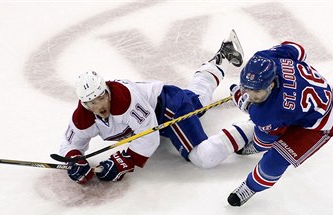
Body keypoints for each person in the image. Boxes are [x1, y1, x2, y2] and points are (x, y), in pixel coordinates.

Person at [58, 30, 254, 184]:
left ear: (107, 92)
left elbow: (149, 135)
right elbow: (70, 144)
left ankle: (256, 125)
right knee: (199, 100)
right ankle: (223, 56)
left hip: (169, 108)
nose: (98, 105)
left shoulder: (125, 100)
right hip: (162, 102)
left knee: (204, 157)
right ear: (84, 104)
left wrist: (124, 161)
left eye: (101, 98)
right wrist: (74, 160)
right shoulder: (82, 117)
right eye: (92, 103)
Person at [227, 41, 333, 206]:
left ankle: (251, 187)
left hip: (318, 123)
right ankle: (257, 146)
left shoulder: (269, 112)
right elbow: (298, 49)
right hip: (305, 103)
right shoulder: (265, 59)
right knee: (267, 130)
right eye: (247, 88)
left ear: (271, 85)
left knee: (276, 159)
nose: (251, 94)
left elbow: (267, 126)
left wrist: (246, 103)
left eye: (256, 91)